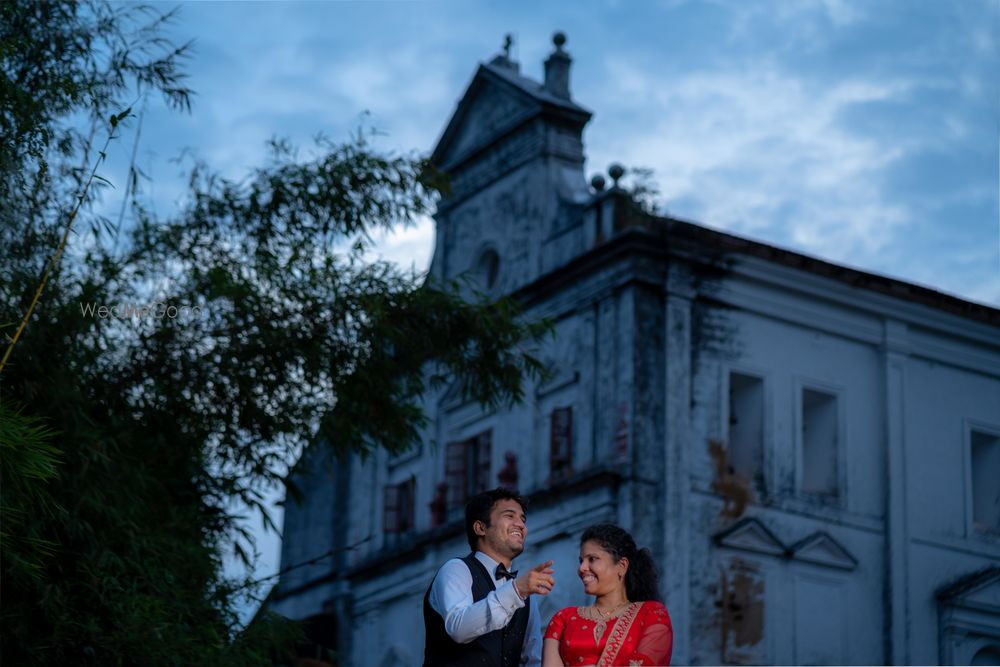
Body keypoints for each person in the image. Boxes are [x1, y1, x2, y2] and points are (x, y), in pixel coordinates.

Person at [424, 488, 556, 667]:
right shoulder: (456, 569)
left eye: (523, 519)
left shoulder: (526, 596)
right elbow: (458, 628)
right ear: (481, 528)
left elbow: (532, 660)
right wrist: (516, 591)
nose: (521, 525)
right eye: (509, 516)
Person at [542, 524, 673, 666]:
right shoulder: (563, 619)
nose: (582, 568)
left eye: (592, 559)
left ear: (622, 566)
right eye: (581, 561)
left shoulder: (651, 613)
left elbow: (647, 662)